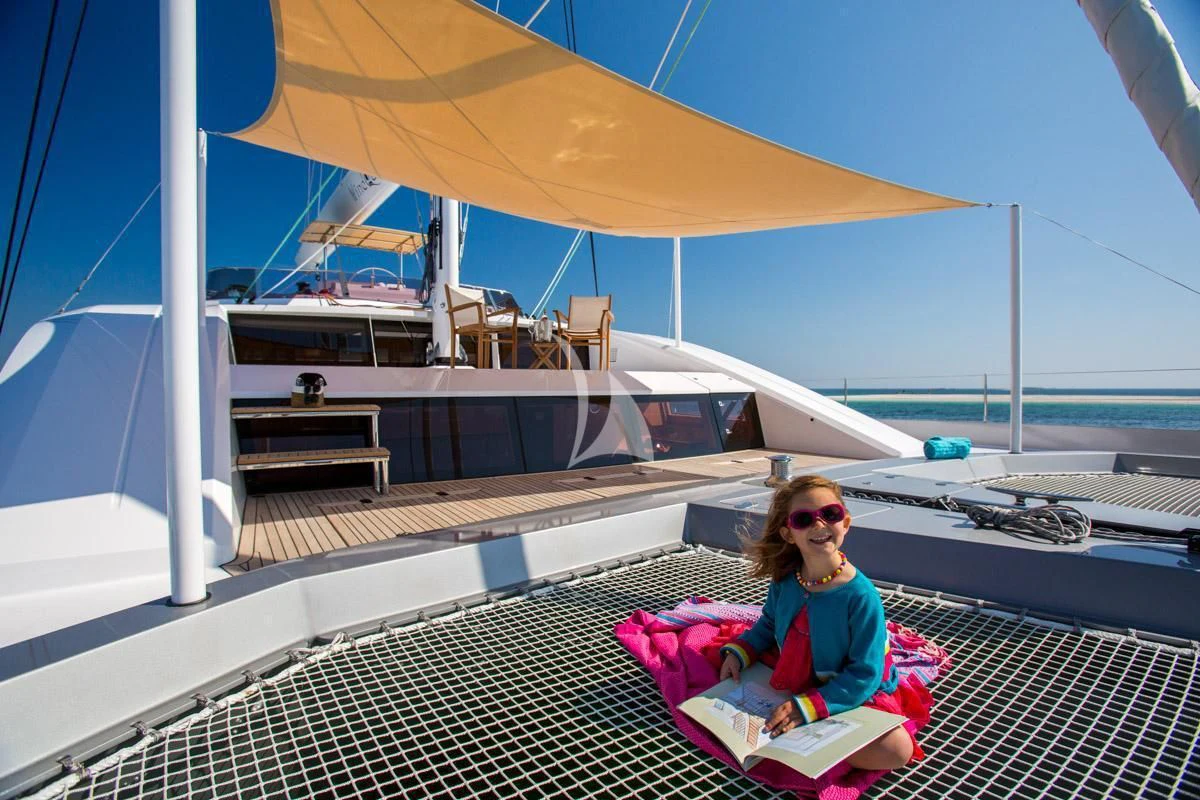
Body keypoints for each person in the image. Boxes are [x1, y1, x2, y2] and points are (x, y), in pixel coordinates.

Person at [718, 474, 927, 771]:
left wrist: (809, 708)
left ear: (846, 523)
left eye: (830, 514)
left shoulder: (860, 595)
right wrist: (741, 651)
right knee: (721, 677)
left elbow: (865, 673)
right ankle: (804, 742)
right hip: (795, 671)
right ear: (789, 534)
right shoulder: (787, 580)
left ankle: (798, 737)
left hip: (846, 688)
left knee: (896, 750)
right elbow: (768, 624)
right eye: (804, 519)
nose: (819, 525)